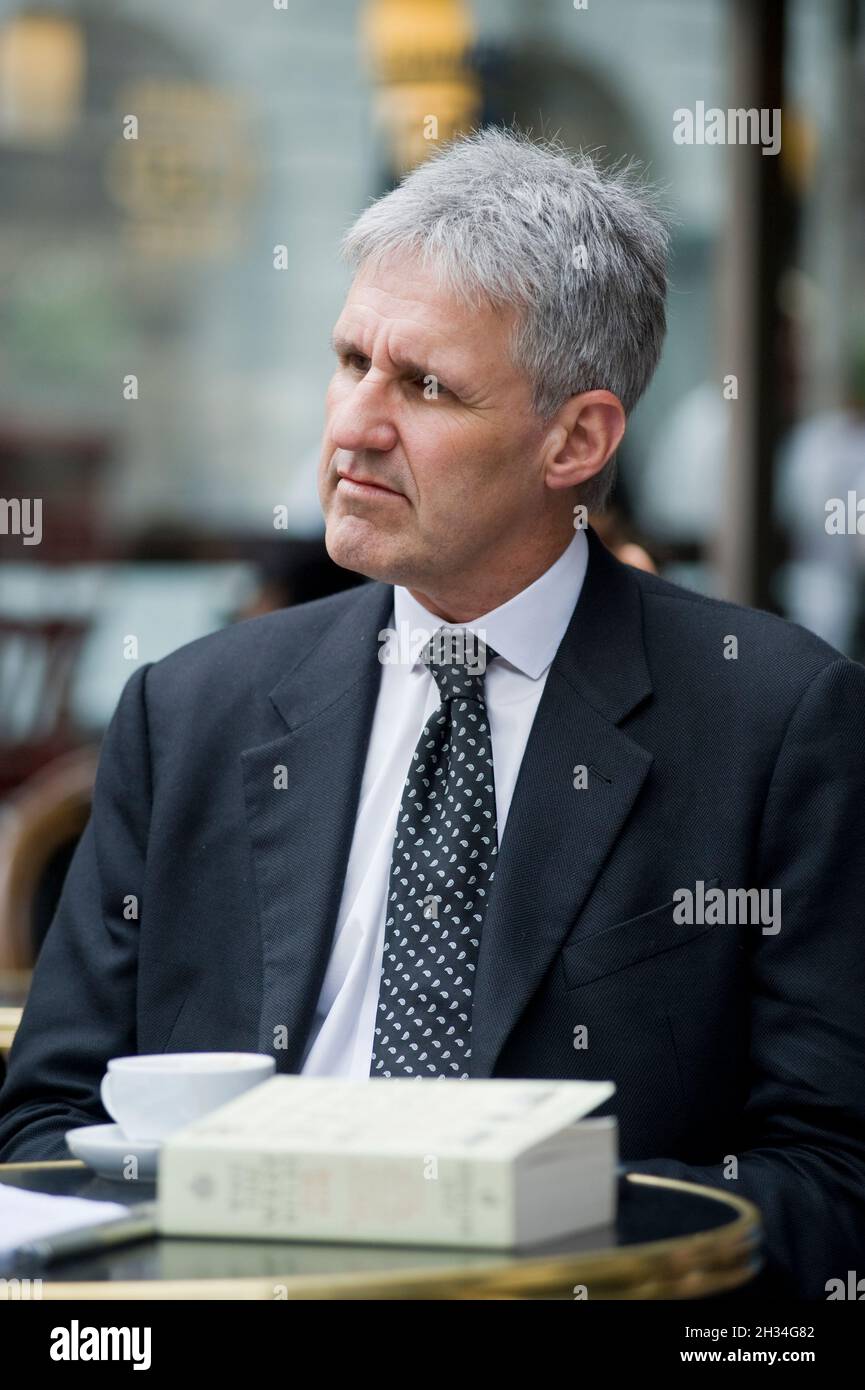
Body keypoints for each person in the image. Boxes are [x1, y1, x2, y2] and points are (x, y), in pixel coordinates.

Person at [1, 128, 863, 1301]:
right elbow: (48, 1123)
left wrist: (475, 1234)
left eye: (424, 386)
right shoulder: (191, 709)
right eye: (351, 359)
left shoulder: (775, 724)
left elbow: (829, 1182)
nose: (355, 424)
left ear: (577, 439)